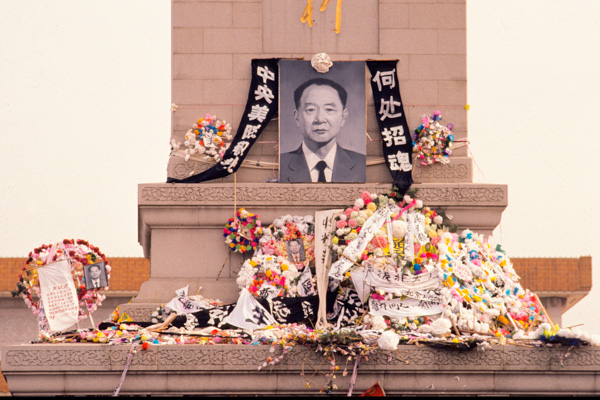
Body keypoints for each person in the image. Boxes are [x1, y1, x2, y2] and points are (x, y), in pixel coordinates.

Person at [280, 78, 366, 183]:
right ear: (297, 117)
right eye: (310, 110)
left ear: (343, 117)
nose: (320, 119)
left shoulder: (362, 165)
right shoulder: (280, 165)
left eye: (329, 109)